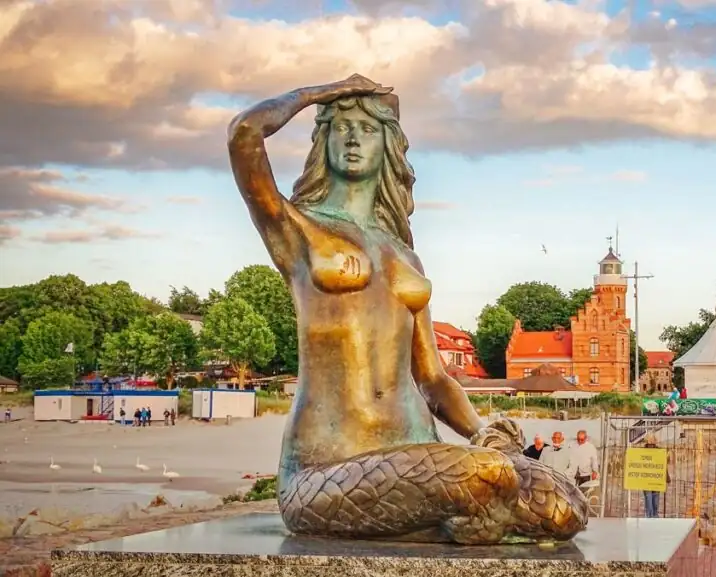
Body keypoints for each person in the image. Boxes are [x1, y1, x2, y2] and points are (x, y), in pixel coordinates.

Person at [226, 74, 586, 544]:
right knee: (486, 476)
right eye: (341, 126)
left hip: (419, 454)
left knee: (562, 506)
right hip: (325, 473)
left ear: (388, 148)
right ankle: (458, 520)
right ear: (323, 141)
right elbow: (244, 135)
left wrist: (483, 433)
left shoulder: (404, 256)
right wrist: (323, 92)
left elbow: (434, 378)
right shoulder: (297, 229)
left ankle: (455, 518)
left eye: (368, 128)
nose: (354, 137)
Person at [641, 433, 670, 518]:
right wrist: (667, 478)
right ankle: (654, 515)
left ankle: (650, 516)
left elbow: (663, 465)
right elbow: (664, 465)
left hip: (648, 479)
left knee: (649, 498)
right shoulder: (659, 451)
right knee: (654, 498)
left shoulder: (642, 451)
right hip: (656, 479)